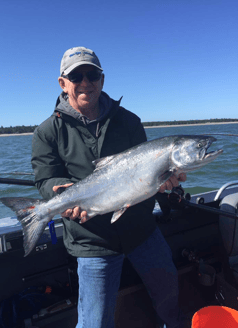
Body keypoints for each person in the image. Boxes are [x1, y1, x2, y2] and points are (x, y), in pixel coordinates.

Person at [31, 46, 186, 328]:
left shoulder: (128, 121)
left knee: (169, 295)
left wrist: (167, 184)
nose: (86, 82)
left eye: (93, 74)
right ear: (62, 83)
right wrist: (58, 191)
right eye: (76, 76)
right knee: (95, 321)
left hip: (142, 231)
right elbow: (45, 179)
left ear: (102, 79)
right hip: (91, 239)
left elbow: (150, 177)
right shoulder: (47, 132)